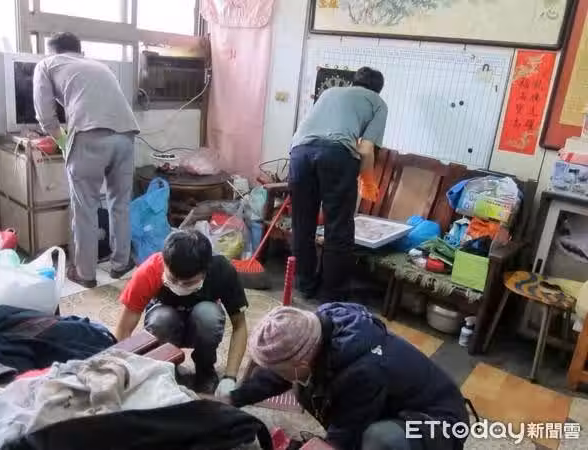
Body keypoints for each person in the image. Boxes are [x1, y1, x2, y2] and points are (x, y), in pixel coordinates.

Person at [226, 303, 469, 450]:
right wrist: (232, 399)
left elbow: (344, 433)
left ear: (301, 363)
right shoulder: (314, 330)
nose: (274, 374)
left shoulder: (363, 372)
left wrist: (330, 444)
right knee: (305, 388)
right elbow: (279, 375)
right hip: (385, 403)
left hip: (439, 423)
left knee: (381, 438)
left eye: (278, 369)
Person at [33, 32, 139, 288]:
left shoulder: (47, 64)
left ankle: (85, 273)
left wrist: (61, 140)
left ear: (53, 51)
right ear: (79, 51)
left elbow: (45, 114)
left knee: (85, 208)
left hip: (89, 135)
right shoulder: (100, 66)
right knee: (120, 204)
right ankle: (121, 264)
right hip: (126, 135)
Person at [289, 67, 388, 300]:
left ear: (353, 82)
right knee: (338, 228)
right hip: (337, 155)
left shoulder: (330, 92)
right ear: (378, 89)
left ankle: (305, 285)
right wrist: (367, 180)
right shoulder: (378, 103)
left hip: (299, 153)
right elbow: (366, 149)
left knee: (302, 225)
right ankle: (331, 294)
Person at [114, 230, 249, 395]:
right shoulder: (150, 270)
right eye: (172, 279)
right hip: (166, 325)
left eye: (188, 283)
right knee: (161, 318)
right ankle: (167, 368)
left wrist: (230, 377)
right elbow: (124, 329)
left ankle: (205, 371)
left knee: (208, 315)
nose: (179, 285)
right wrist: (120, 372)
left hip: (202, 327)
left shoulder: (222, 271)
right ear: (164, 262)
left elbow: (239, 326)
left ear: (205, 271)